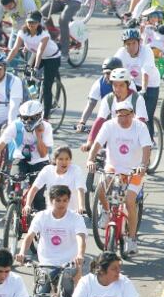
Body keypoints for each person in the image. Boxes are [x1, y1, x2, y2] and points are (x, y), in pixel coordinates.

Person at [17, 184, 86, 297]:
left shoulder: (75, 218)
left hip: (67, 263)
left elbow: (80, 237)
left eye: (65, 200)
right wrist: (22, 252)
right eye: (58, 200)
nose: (61, 204)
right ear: (51, 200)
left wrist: (80, 255)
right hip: (46, 264)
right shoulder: (42, 216)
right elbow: (29, 236)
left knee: (69, 286)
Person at [86, 100, 152, 255]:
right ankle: (107, 212)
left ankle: (132, 239)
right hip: (114, 167)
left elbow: (146, 147)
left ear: (133, 114)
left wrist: (143, 165)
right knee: (102, 186)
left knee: (129, 201)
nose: (123, 119)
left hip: (134, 171)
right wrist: (90, 159)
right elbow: (97, 143)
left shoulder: (140, 127)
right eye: (120, 115)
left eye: (127, 115)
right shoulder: (109, 125)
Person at [0, 100, 54, 187]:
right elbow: (0, 146)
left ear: (40, 116)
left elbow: (43, 154)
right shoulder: (15, 126)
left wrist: (39, 135)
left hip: (40, 161)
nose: (28, 121)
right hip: (20, 159)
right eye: (25, 118)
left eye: (32, 118)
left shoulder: (47, 127)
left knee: (38, 197)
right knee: (15, 180)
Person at [7, 11, 62, 116]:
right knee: (28, 77)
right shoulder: (22, 32)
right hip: (36, 54)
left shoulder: (44, 34)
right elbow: (14, 49)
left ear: (39, 23)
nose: (31, 25)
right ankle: (34, 96)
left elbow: (40, 51)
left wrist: (36, 67)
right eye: (29, 22)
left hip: (52, 58)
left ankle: (46, 115)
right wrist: (5, 63)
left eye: (34, 22)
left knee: (47, 86)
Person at [82, 67, 149, 152]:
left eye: (121, 85)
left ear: (127, 85)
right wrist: (89, 142)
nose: (117, 89)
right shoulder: (108, 99)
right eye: (115, 85)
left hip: (133, 133)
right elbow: (100, 120)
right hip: (115, 133)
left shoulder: (137, 99)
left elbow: (141, 123)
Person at [114, 27, 160, 139]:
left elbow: (145, 72)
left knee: (145, 115)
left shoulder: (147, 51)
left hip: (150, 85)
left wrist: (143, 90)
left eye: (133, 43)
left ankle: (148, 142)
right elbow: (113, 69)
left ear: (139, 42)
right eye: (128, 44)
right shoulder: (121, 53)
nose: (131, 47)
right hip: (132, 84)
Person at [25, 146, 86, 215]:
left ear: (70, 160)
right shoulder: (47, 170)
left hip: (72, 213)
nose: (64, 162)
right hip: (52, 213)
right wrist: (28, 205)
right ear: (55, 160)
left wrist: (81, 207)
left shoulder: (76, 170)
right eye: (60, 159)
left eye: (67, 159)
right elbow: (34, 188)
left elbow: (80, 189)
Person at [75, 56, 123, 132]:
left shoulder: (128, 83)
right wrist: (82, 122)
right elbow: (91, 104)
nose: (107, 76)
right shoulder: (99, 84)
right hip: (107, 116)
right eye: (106, 73)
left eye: (110, 73)